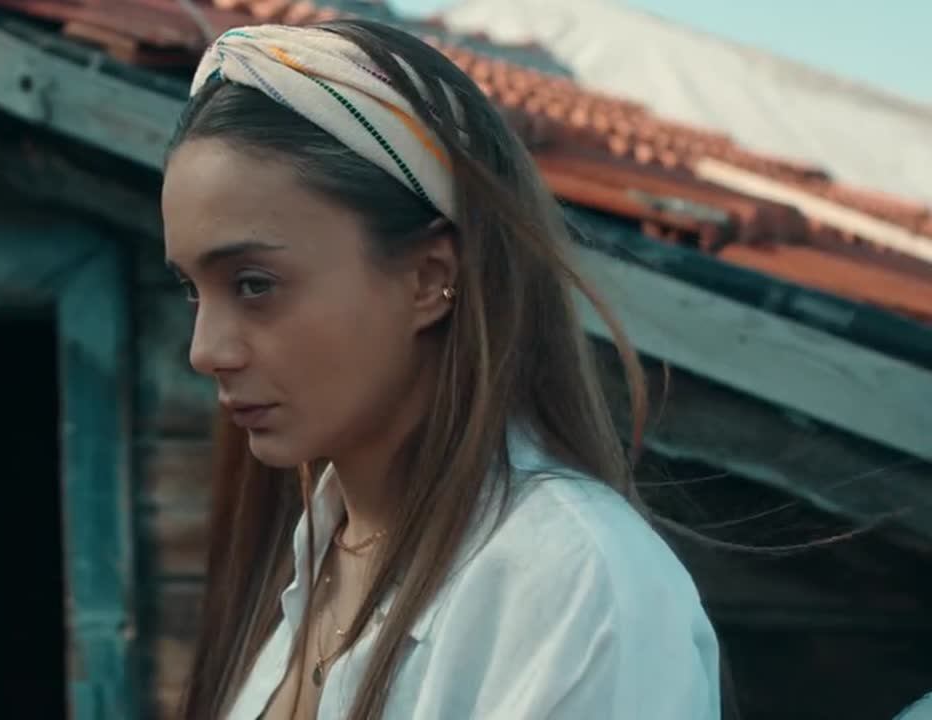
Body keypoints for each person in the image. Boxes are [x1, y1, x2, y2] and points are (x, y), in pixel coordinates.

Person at [161, 18, 720, 720]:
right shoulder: (312, 554)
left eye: (252, 284)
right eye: (193, 290)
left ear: (428, 278)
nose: (205, 349)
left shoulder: (577, 588)